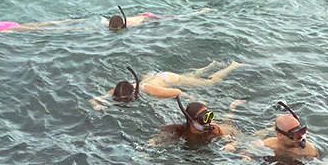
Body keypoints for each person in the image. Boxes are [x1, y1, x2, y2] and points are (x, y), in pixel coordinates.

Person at [226, 102, 328, 165]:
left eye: (302, 132)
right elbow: (245, 150)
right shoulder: (269, 144)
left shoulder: (308, 149)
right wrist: (245, 157)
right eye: (294, 135)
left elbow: (325, 162)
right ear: (280, 136)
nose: (300, 137)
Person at [89, 61, 242, 109]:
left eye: (124, 99)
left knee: (209, 83)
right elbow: (93, 99)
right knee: (192, 77)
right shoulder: (117, 90)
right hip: (154, 76)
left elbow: (176, 92)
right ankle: (211, 65)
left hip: (167, 79)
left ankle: (232, 66)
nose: (122, 100)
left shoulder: (146, 90)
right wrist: (97, 105)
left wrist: (192, 98)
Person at [149, 97, 245, 145]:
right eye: (203, 118)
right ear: (191, 121)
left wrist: (232, 144)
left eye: (209, 116)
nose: (207, 122)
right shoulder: (180, 131)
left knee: (227, 121)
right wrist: (152, 143)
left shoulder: (214, 129)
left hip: (226, 128)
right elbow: (157, 138)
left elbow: (237, 135)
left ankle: (232, 107)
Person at [102, 5, 212, 29]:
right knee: (175, 17)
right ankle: (200, 11)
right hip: (142, 15)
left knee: (176, 17)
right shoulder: (108, 22)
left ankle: (201, 12)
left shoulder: (133, 24)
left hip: (148, 17)